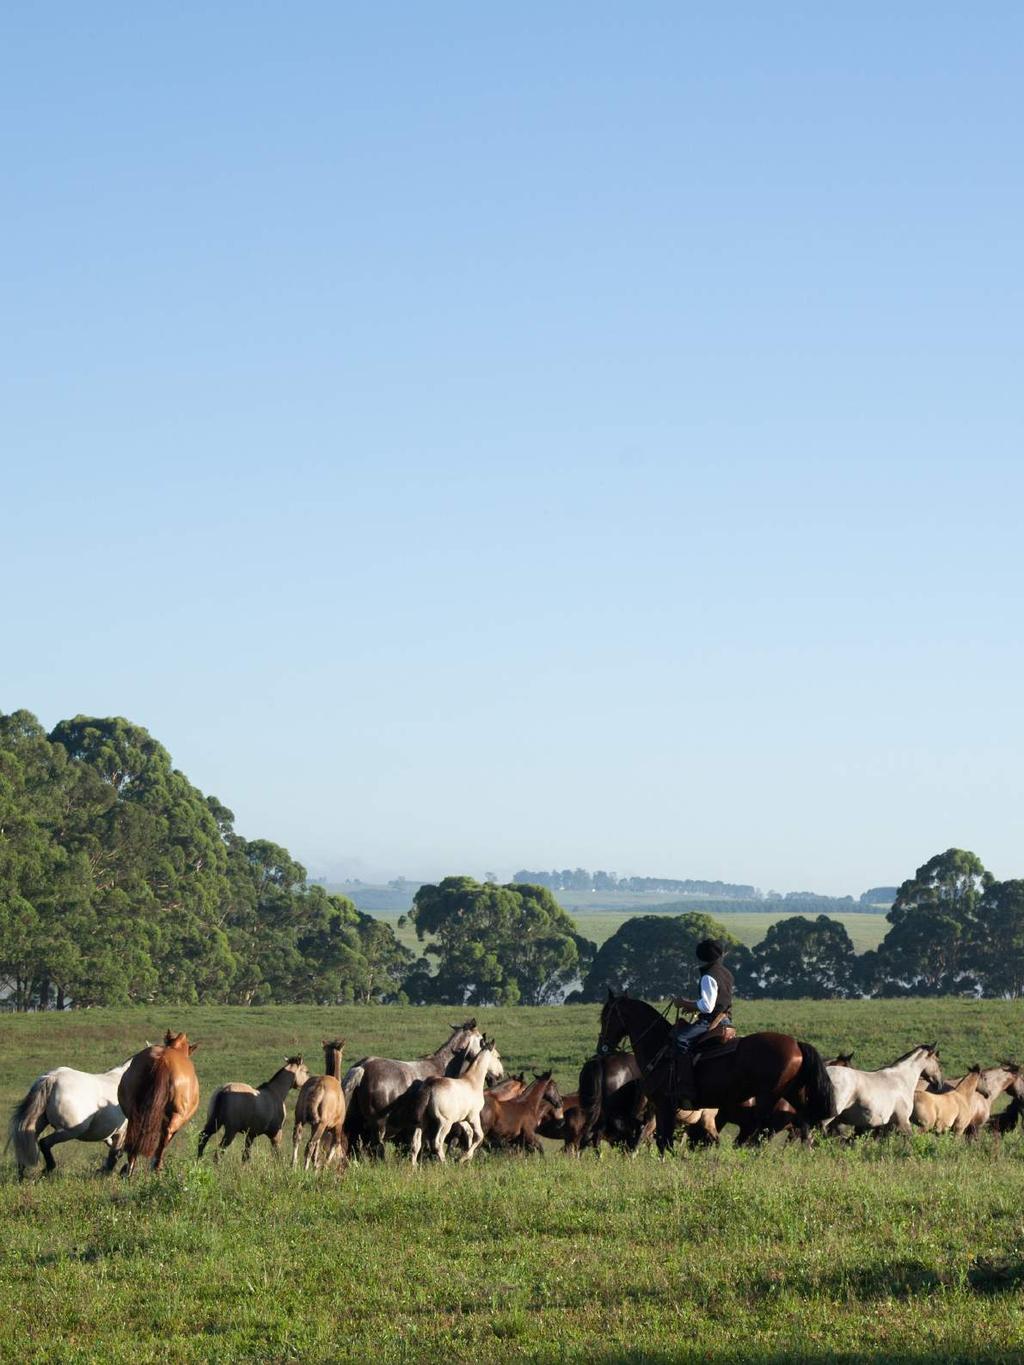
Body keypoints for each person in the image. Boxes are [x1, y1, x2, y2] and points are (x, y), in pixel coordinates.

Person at [671, 938, 734, 1054]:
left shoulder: (708, 976)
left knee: (680, 1039)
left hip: (710, 1021)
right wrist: (692, 1005)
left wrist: (683, 1003)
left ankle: (686, 1072)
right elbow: (716, 1001)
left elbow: (707, 1006)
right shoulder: (726, 973)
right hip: (726, 1019)